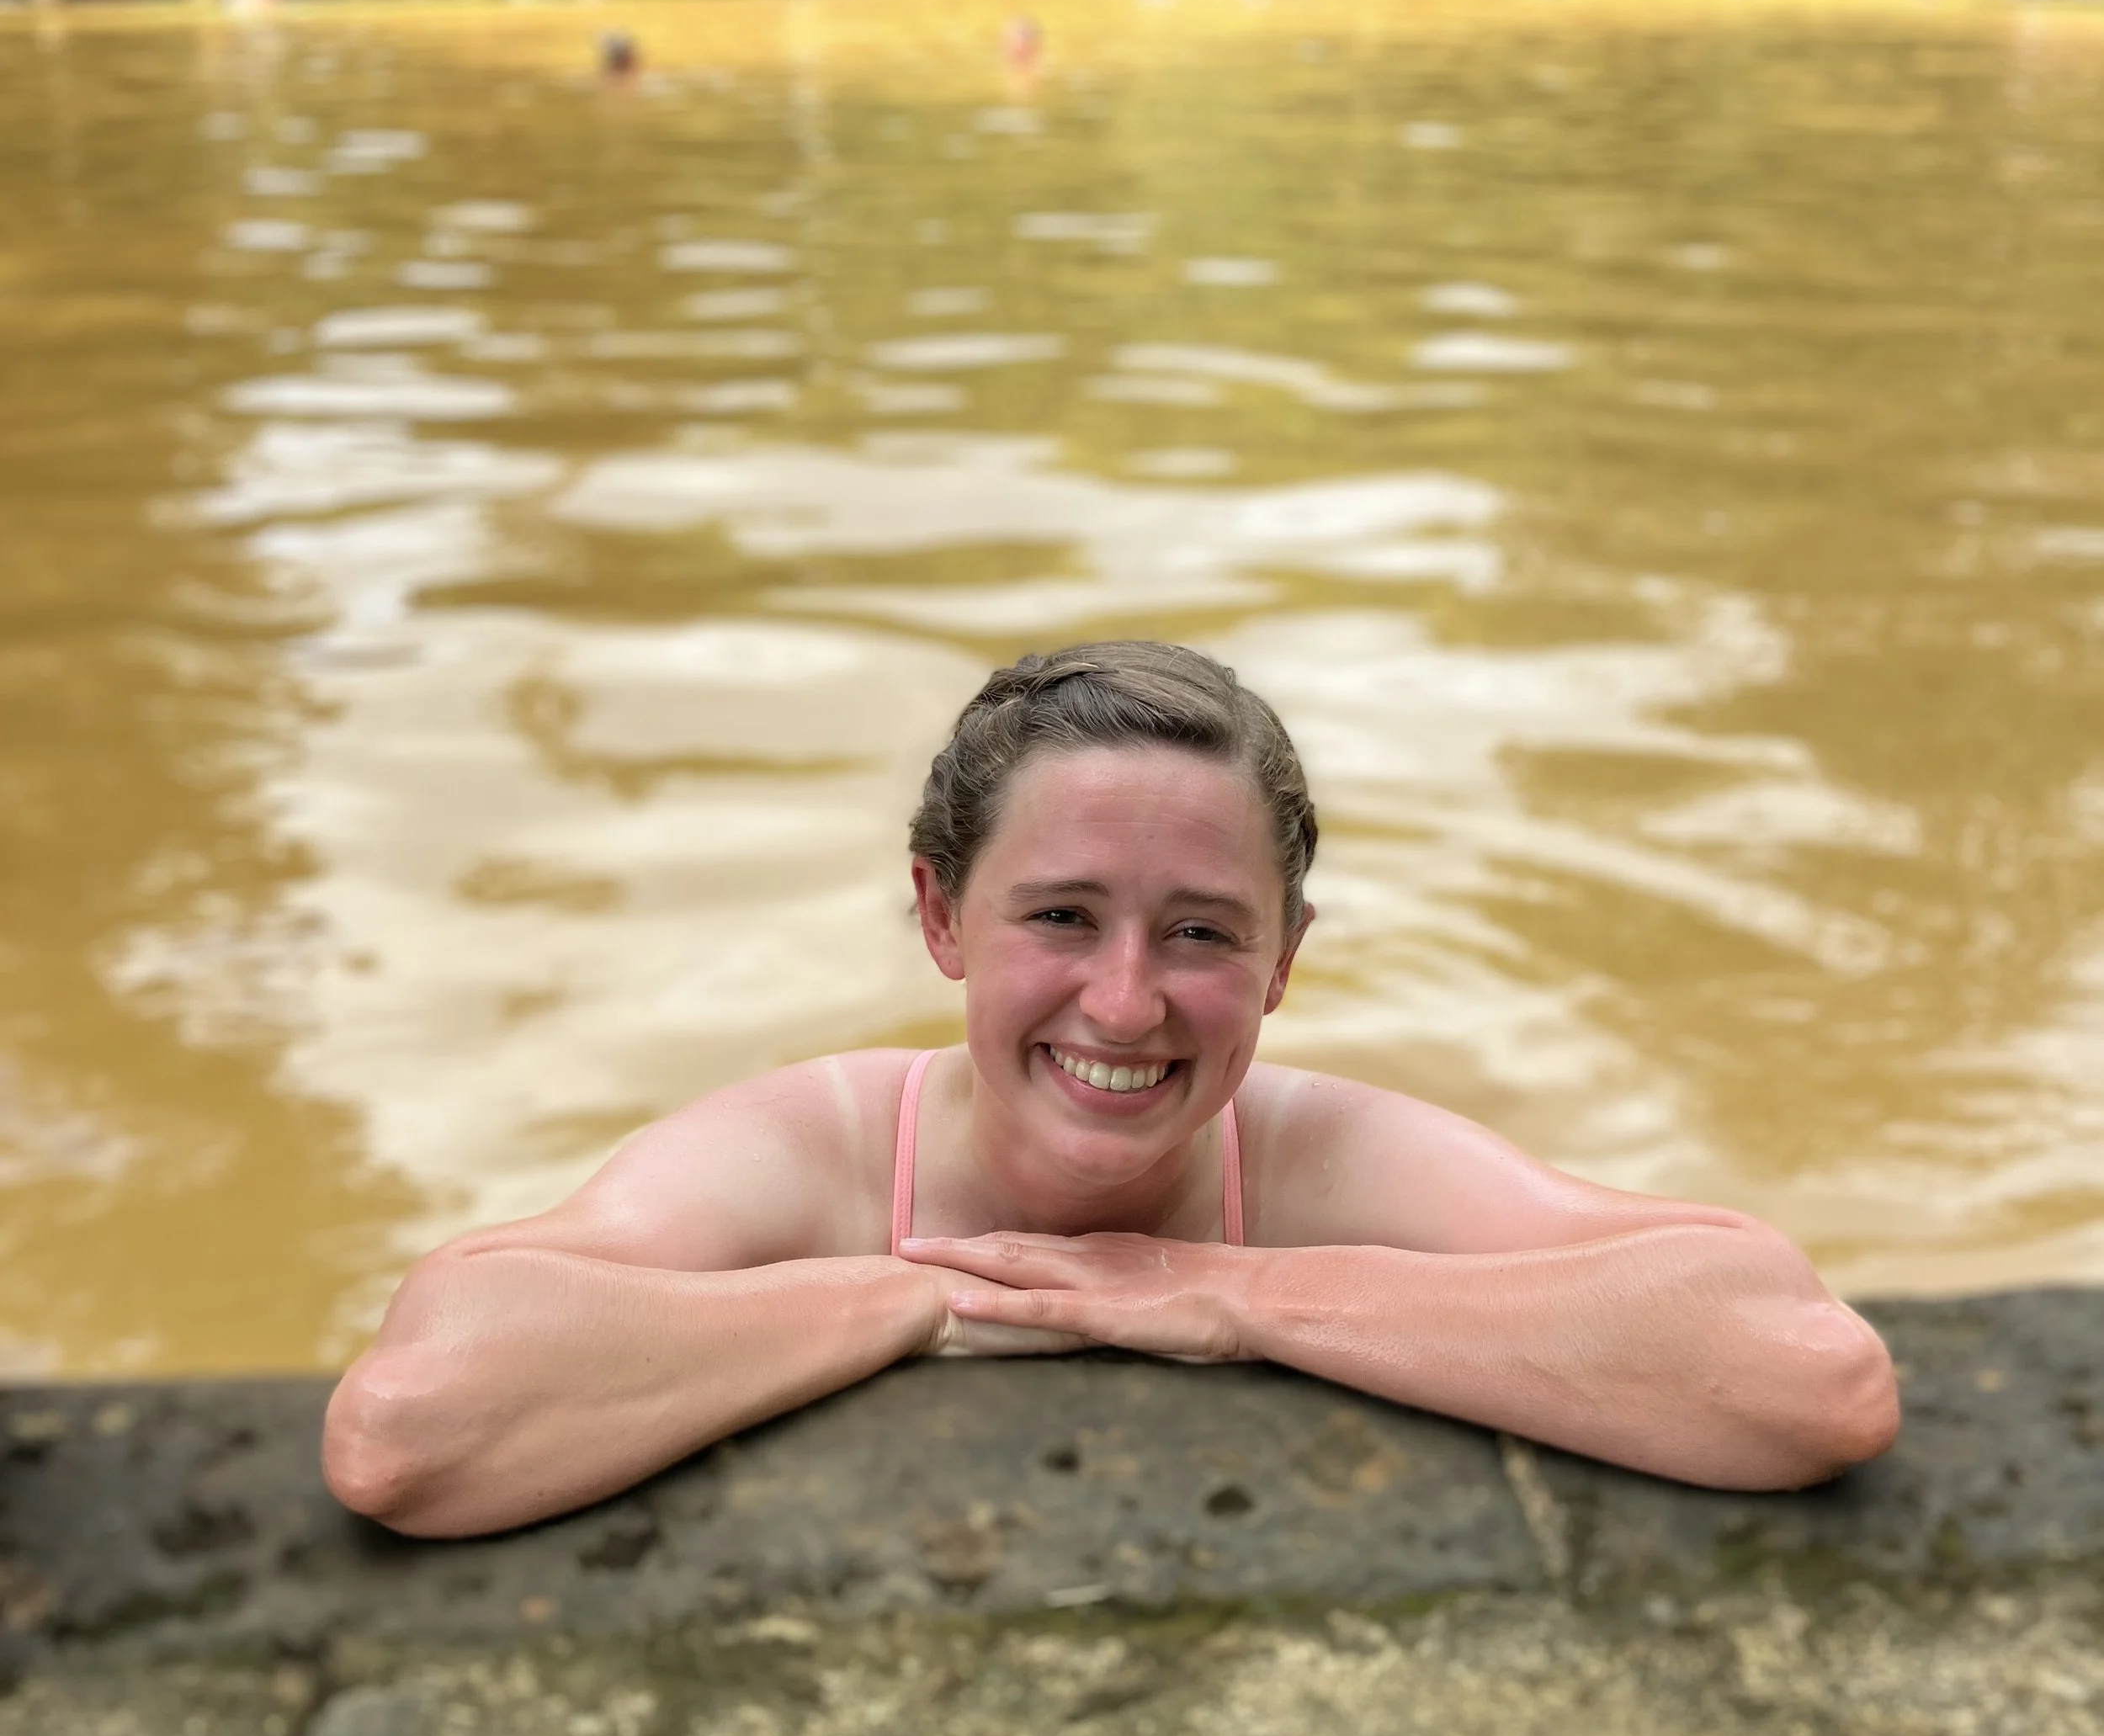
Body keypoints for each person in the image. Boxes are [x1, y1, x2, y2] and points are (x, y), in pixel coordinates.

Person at [325, 644, 1900, 1538]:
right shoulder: (802, 1148)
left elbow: (1802, 1376)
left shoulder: (1323, 1156)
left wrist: (1237, 1297)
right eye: (1060, 917)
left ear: (1284, 963)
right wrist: (912, 1303)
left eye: (1204, 935)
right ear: (942, 917)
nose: (1129, 1003)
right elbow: (412, 1428)